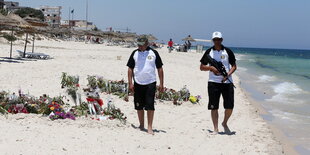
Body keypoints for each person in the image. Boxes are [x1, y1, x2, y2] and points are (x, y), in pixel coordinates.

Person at [199, 31, 237, 135]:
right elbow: (201, 67)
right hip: (213, 82)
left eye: (218, 39)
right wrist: (211, 68)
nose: (217, 41)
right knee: (214, 106)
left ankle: (224, 123)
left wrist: (227, 75)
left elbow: (234, 66)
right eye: (215, 40)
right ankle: (215, 128)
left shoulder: (228, 51)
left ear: (222, 40)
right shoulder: (208, 52)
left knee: (229, 107)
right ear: (213, 40)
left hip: (227, 83)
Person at [127, 36, 164, 135]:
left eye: (142, 45)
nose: (140, 46)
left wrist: (161, 83)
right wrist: (130, 83)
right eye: (138, 44)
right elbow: (130, 68)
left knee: (150, 105)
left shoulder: (154, 53)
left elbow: (159, 68)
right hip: (138, 82)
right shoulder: (134, 53)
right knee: (139, 106)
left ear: (147, 43)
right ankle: (141, 125)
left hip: (150, 83)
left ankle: (149, 127)